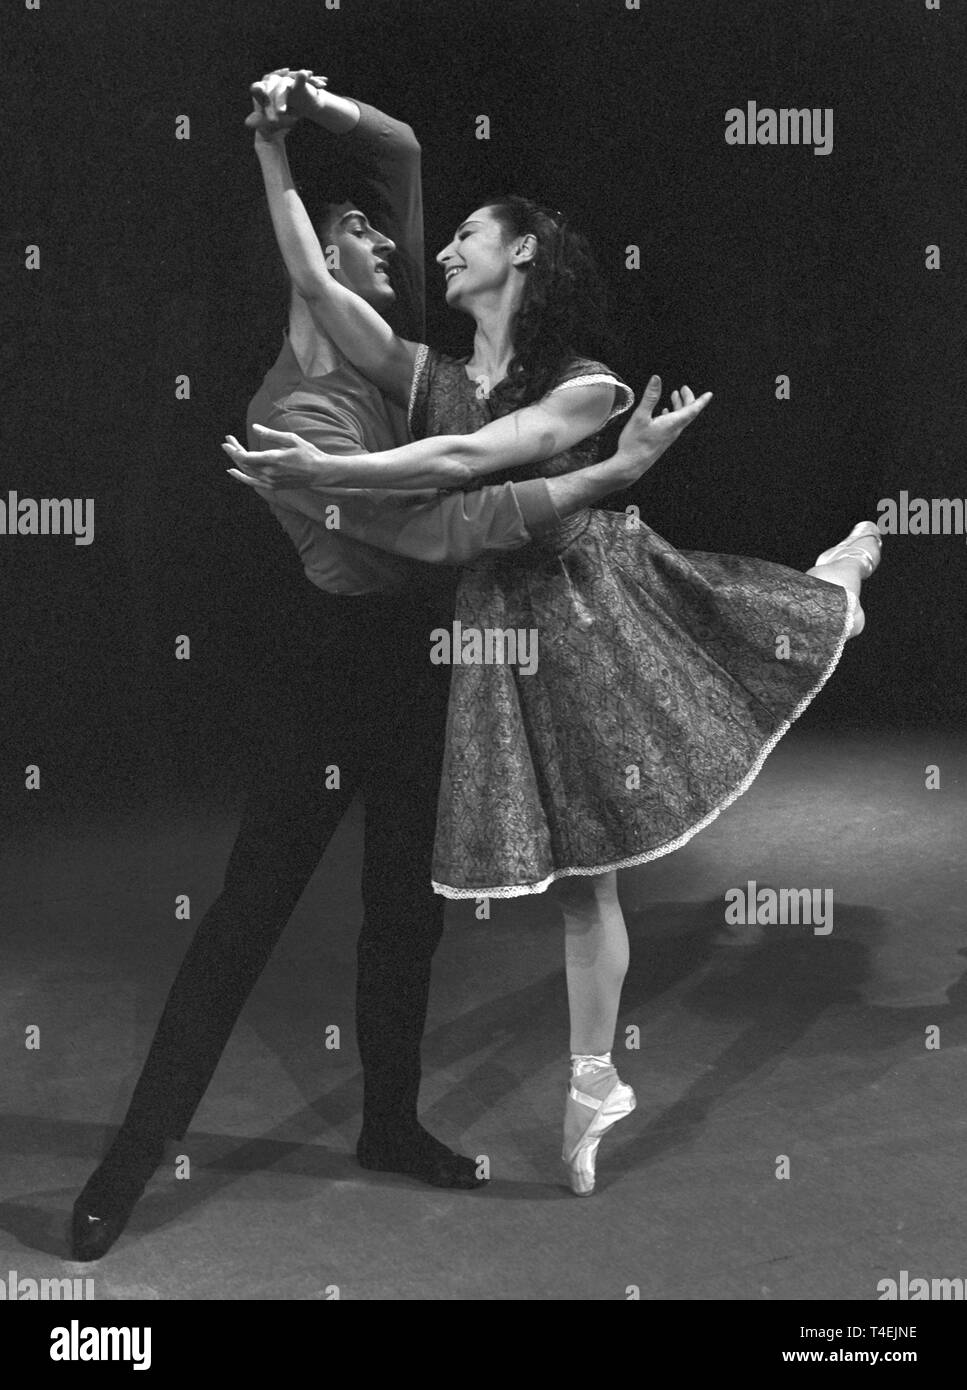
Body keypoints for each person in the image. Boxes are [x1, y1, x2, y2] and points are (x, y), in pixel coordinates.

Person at [69, 71, 699, 1262]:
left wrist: (313, 106)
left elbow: (401, 152)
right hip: (333, 672)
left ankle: (389, 1124)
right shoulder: (295, 411)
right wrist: (593, 482)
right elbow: (430, 530)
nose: (388, 238)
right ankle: (123, 1167)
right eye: (350, 227)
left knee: (403, 916)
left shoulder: (404, 347)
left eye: (383, 230)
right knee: (247, 919)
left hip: (428, 662)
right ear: (308, 250)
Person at [225, 75, 882, 1198]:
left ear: (520, 256)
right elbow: (310, 280)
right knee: (584, 880)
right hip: (500, 631)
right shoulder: (429, 370)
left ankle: (845, 568)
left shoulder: (588, 386)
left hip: (595, 605)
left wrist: (326, 471)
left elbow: (469, 461)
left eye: (468, 236)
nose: (442, 250)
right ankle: (596, 1084)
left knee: (768, 629)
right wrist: (272, 156)